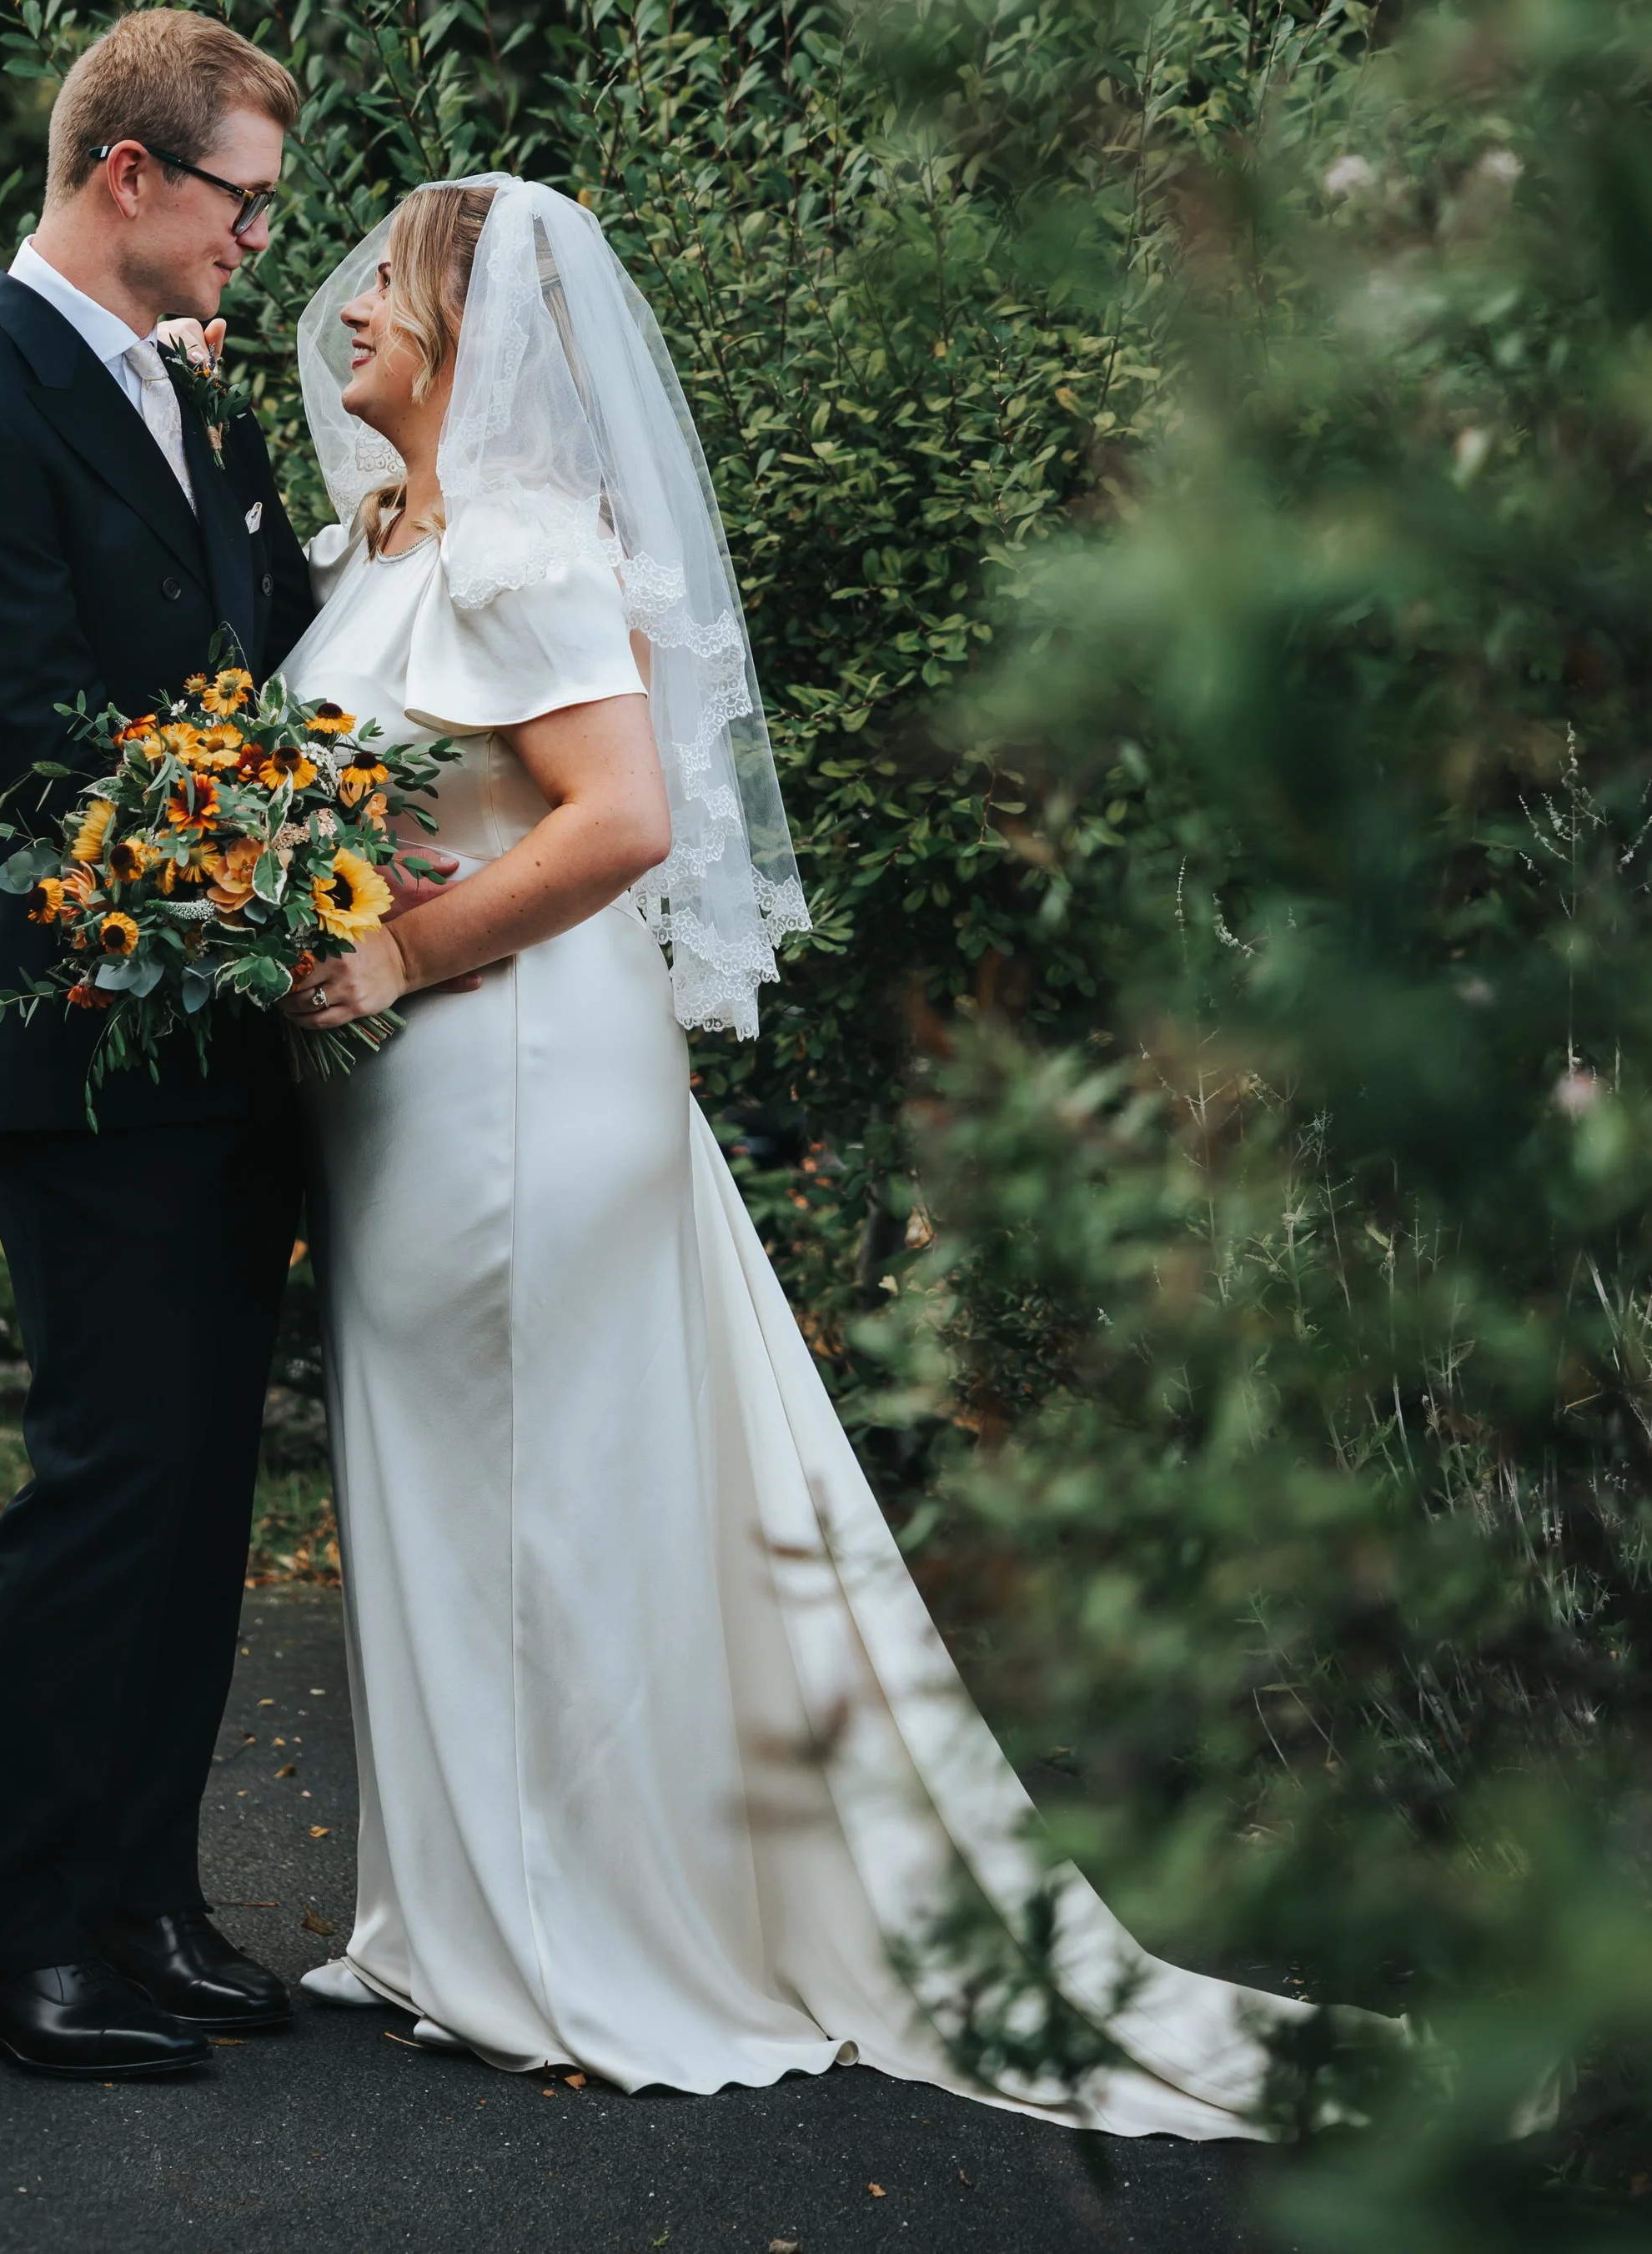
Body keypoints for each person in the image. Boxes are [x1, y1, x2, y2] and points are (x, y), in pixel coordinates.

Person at [272, 173, 1326, 2130]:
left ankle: (574, 1936)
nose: (344, 317)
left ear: (464, 334)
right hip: (418, 1087)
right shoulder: (397, 545)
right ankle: (451, 1916)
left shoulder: (523, 549)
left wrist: (390, 953)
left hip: (507, 1075)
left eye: (382, 291)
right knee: (442, 1484)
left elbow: (620, 823)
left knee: (542, 1501)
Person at [0, 9, 316, 2081]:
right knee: (107, 1483)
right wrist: (287, 879)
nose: (253, 242)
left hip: (226, 1046)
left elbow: (273, 666)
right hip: (82, 1045)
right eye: (237, 199)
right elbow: (36, 749)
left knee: (204, 1481)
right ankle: (19, 1946)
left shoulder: (198, 409)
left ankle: (145, 1905)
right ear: (128, 174)